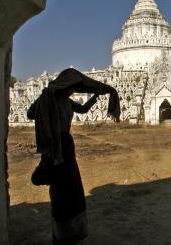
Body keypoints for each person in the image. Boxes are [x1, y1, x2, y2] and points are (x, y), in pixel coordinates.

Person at [27, 68, 120, 244]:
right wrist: (43, 100)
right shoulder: (49, 98)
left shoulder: (67, 101)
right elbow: (30, 114)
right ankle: (60, 234)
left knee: (72, 187)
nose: (73, 90)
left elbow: (83, 110)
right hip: (55, 145)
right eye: (72, 87)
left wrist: (95, 96)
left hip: (67, 145)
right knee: (59, 189)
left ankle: (72, 232)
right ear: (64, 85)